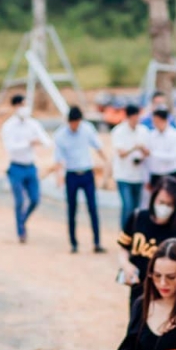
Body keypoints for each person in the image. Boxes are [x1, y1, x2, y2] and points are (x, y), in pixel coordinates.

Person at [119, 174, 176, 301]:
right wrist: (126, 265)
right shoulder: (137, 218)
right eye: (161, 202)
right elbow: (123, 247)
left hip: (167, 295)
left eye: (169, 204)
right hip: (138, 291)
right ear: (153, 199)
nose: (164, 208)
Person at [52, 105, 107, 254]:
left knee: (92, 208)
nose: (74, 126)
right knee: (72, 209)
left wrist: (107, 162)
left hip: (87, 173)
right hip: (72, 175)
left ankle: (97, 242)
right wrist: (59, 176)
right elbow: (58, 158)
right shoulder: (60, 135)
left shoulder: (87, 129)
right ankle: (73, 243)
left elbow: (98, 146)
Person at [0, 94, 52, 244]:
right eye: (22, 105)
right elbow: (10, 147)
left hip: (30, 166)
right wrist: (28, 143)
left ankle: (22, 220)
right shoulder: (8, 126)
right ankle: (21, 231)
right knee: (19, 201)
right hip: (16, 167)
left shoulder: (33, 124)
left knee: (35, 199)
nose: (25, 108)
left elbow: (46, 141)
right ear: (15, 106)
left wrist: (40, 142)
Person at [110, 105, 150, 233]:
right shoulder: (118, 131)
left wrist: (143, 152)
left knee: (136, 208)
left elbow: (148, 152)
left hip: (138, 175)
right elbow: (121, 153)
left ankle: (134, 233)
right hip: (123, 175)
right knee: (127, 205)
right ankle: (125, 233)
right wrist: (135, 147)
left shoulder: (143, 131)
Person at [143, 99, 176, 198]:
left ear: (164, 120)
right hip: (155, 175)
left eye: (156, 121)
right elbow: (148, 160)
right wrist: (147, 178)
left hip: (172, 173)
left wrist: (152, 153)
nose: (154, 124)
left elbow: (174, 156)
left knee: (173, 201)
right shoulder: (151, 135)